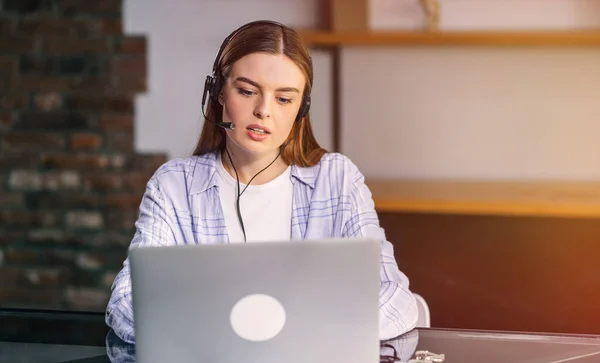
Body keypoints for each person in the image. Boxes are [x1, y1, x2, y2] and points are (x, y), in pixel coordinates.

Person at [106, 20, 418, 344]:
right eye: (247, 91)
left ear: (301, 110)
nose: (263, 111)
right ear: (217, 93)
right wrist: (228, 339)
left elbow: (395, 297)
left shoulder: (337, 180)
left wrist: (301, 337)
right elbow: (126, 303)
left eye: (284, 99)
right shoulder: (173, 187)